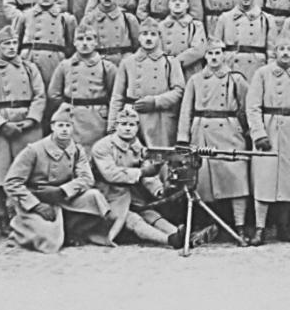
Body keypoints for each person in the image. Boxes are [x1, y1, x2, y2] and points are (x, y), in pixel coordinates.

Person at [91, 104, 218, 249]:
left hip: (129, 198)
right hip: (106, 201)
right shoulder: (102, 147)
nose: (128, 128)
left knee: (150, 214)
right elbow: (111, 175)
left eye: (132, 125)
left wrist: (159, 190)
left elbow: (148, 174)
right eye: (123, 124)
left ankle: (184, 235)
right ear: (116, 126)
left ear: (137, 127)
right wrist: (143, 172)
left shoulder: (137, 146)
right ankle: (171, 240)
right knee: (132, 218)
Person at [3, 104, 113, 252]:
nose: (64, 130)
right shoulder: (34, 150)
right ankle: (36, 227)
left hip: (64, 197)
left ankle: (70, 228)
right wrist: (36, 205)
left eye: (68, 126)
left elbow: (87, 179)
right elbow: (12, 183)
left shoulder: (77, 150)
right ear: (53, 127)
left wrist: (62, 190)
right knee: (48, 241)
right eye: (60, 125)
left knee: (95, 197)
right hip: (37, 198)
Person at [0, 26, 47, 235]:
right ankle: (1, 216)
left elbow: (40, 96)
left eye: (14, 43)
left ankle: (25, 215)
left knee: (28, 172)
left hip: (26, 124)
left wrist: (32, 119)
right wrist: (2, 125)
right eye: (7, 44)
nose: (12, 48)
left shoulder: (30, 68)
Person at [177, 40, 251, 240]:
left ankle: (240, 226)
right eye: (210, 54)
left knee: (236, 179)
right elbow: (186, 110)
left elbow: (247, 107)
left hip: (229, 130)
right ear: (205, 57)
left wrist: (244, 130)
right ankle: (207, 225)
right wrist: (183, 137)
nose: (214, 58)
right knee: (203, 181)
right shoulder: (195, 80)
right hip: (202, 130)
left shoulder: (236, 79)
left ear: (224, 55)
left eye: (218, 53)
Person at [246, 37, 290, 245]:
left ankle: (284, 226)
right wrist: (258, 133)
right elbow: (253, 106)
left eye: (289, 49)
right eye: (281, 49)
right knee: (264, 180)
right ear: (274, 52)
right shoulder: (262, 74)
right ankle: (260, 228)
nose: (285, 53)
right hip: (269, 128)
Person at [108, 18, 185, 143]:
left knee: (159, 157)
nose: (148, 38)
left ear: (159, 37)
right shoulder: (128, 62)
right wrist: (112, 126)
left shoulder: (170, 61)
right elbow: (117, 96)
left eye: (153, 34)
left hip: (161, 119)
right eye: (144, 34)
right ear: (139, 37)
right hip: (133, 118)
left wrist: (156, 101)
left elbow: (178, 91)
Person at [47, 25, 116, 159]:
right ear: (74, 42)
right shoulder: (65, 65)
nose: (84, 43)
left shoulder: (107, 66)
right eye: (80, 39)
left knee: (95, 154)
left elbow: (115, 94)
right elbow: (53, 93)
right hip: (73, 116)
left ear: (96, 42)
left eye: (89, 39)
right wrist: (66, 108)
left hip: (97, 118)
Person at [13, 0, 77, 89]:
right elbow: (15, 40)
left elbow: (71, 44)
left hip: (54, 59)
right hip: (30, 57)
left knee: (52, 89)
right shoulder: (25, 16)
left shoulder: (65, 18)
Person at [212, 0, 277, 81]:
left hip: (256, 66)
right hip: (231, 66)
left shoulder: (267, 19)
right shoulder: (225, 18)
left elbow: (271, 51)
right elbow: (216, 48)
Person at [77, 0, 139, 66]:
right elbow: (80, 44)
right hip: (97, 63)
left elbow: (136, 44)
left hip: (121, 61)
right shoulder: (89, 19)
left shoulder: (128, 18)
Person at [158, 0, 208, 80]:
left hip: (190, 70)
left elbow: (198, 50)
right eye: (174, 0)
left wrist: (175, 62)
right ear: (169, 5)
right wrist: (166, 63)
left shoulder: (196, 25)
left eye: (181, 0)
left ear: (187, 5)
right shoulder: (161, 26)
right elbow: (157, 49)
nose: (177, 3)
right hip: (167, 69)